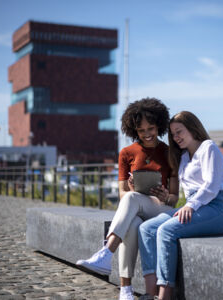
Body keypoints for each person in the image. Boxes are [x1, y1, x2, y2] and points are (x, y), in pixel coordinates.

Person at [76, 98, 179, 300]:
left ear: (159, 124)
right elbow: (123, 195)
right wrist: (133, 188)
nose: (148, 134)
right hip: (136, 209)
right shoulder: (126, 153)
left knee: (133, 199)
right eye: (142, 131)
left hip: (162, 210)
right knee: (132, 225)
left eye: (151, 128)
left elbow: (175, 199)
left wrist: (166, 196)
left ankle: (106, 253)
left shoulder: (169, 152)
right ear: (134, 131)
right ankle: (126, 290)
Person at [138, 111, 223, 300]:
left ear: (193, 128)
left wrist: (191, 206)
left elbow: (212, 186)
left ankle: (165, 294)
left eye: (179, 131)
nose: (176, 137)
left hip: (218, 207)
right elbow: (185, 192)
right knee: (146, 228)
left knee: (166, 231)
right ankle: (150, 293)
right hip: (196, 206)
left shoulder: (209, 148)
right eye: (173, 134)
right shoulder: (183, 157)